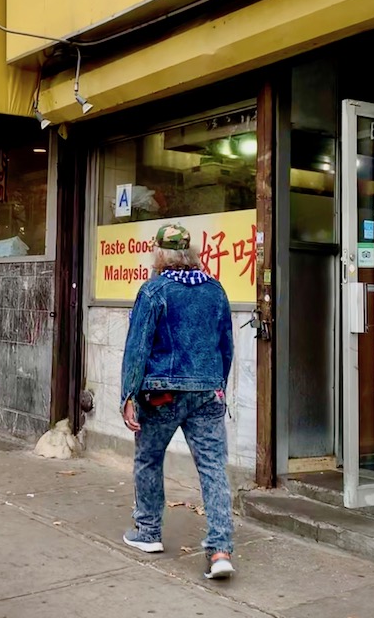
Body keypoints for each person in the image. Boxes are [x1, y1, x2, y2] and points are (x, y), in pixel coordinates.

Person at [120, 223, 236, 580]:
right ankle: (220, 550)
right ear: (191, 253)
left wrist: (128, 394)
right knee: (214, 468)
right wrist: (219, 385)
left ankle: (149, 532)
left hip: (162, 394)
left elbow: (137, 347)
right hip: (206, 392)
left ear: (159, 253)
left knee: (149, 459)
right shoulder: (215, 290)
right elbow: (226, 346)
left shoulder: (154, 290)